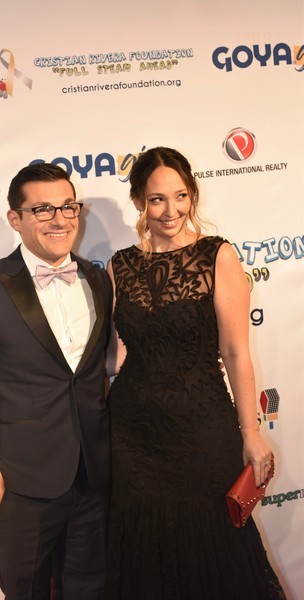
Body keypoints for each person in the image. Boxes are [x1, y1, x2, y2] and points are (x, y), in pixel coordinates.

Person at [105, 147, 286, 599]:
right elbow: (117, 354)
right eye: (157, 199)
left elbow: (235, 352)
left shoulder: (216, 256)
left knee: (214, 545)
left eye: (180, 196)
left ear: (192, 195)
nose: (171, 210)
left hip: (201, 427)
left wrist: (251, 432)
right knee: (143, 549)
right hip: (133, 434)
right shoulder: (119, 266)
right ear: (139, 202)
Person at [0, 163, 113, 600]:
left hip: (92, 476)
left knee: (90, 589)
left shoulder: (97, 279)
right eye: (42, 209)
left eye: (68, 207)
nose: (59, 219)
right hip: (19, 484)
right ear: (16, 219)